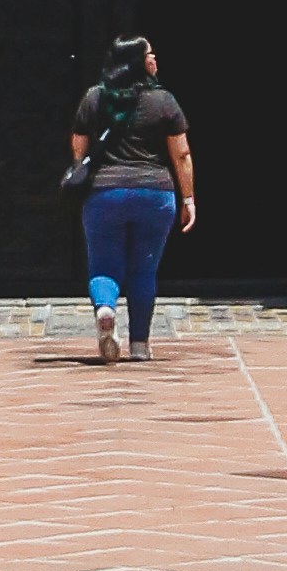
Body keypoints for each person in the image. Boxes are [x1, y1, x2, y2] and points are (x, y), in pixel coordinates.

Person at [65, 30, 192, 359]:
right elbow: (181, 154)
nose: (154, 58)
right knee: (144, 269)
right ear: (136, 61)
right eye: (149, 53)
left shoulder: (95, 97)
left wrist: (80, 166)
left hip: (105, 193)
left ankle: (105, 309)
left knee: (103, 265)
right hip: (155, 193)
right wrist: (189, 198)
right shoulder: (164, 100)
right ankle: (139, 346)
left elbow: (79, 140)